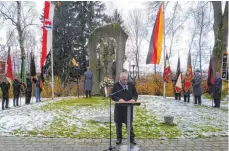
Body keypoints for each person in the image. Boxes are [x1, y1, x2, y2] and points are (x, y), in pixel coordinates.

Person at [111, 72, 138, 145]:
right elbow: (113, 95)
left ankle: (131, 138)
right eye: (123, 79)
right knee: (118, 123)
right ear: (120, 78)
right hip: (119, 107)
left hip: (128, 108)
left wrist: (133, 99)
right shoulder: (116, 85)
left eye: (126, 79)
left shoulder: (131, 85)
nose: (125, 81)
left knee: (129, 123)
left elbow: (135, 94)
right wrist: (119, 99)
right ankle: (119, 138)